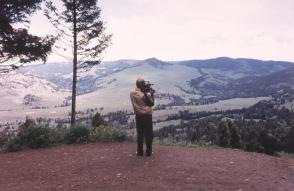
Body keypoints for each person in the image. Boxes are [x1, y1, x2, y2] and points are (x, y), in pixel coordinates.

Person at [130, 77, 155, 156]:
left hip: (138, 116)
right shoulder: (142, 95)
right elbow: (151, 103)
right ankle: (148, 152)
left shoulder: (132, 92)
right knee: (148, 134)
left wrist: (145, 92)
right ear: (141, 85)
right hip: (147, 116)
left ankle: (140, 152)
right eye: (143, 84)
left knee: (140, 134)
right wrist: (152, 94)